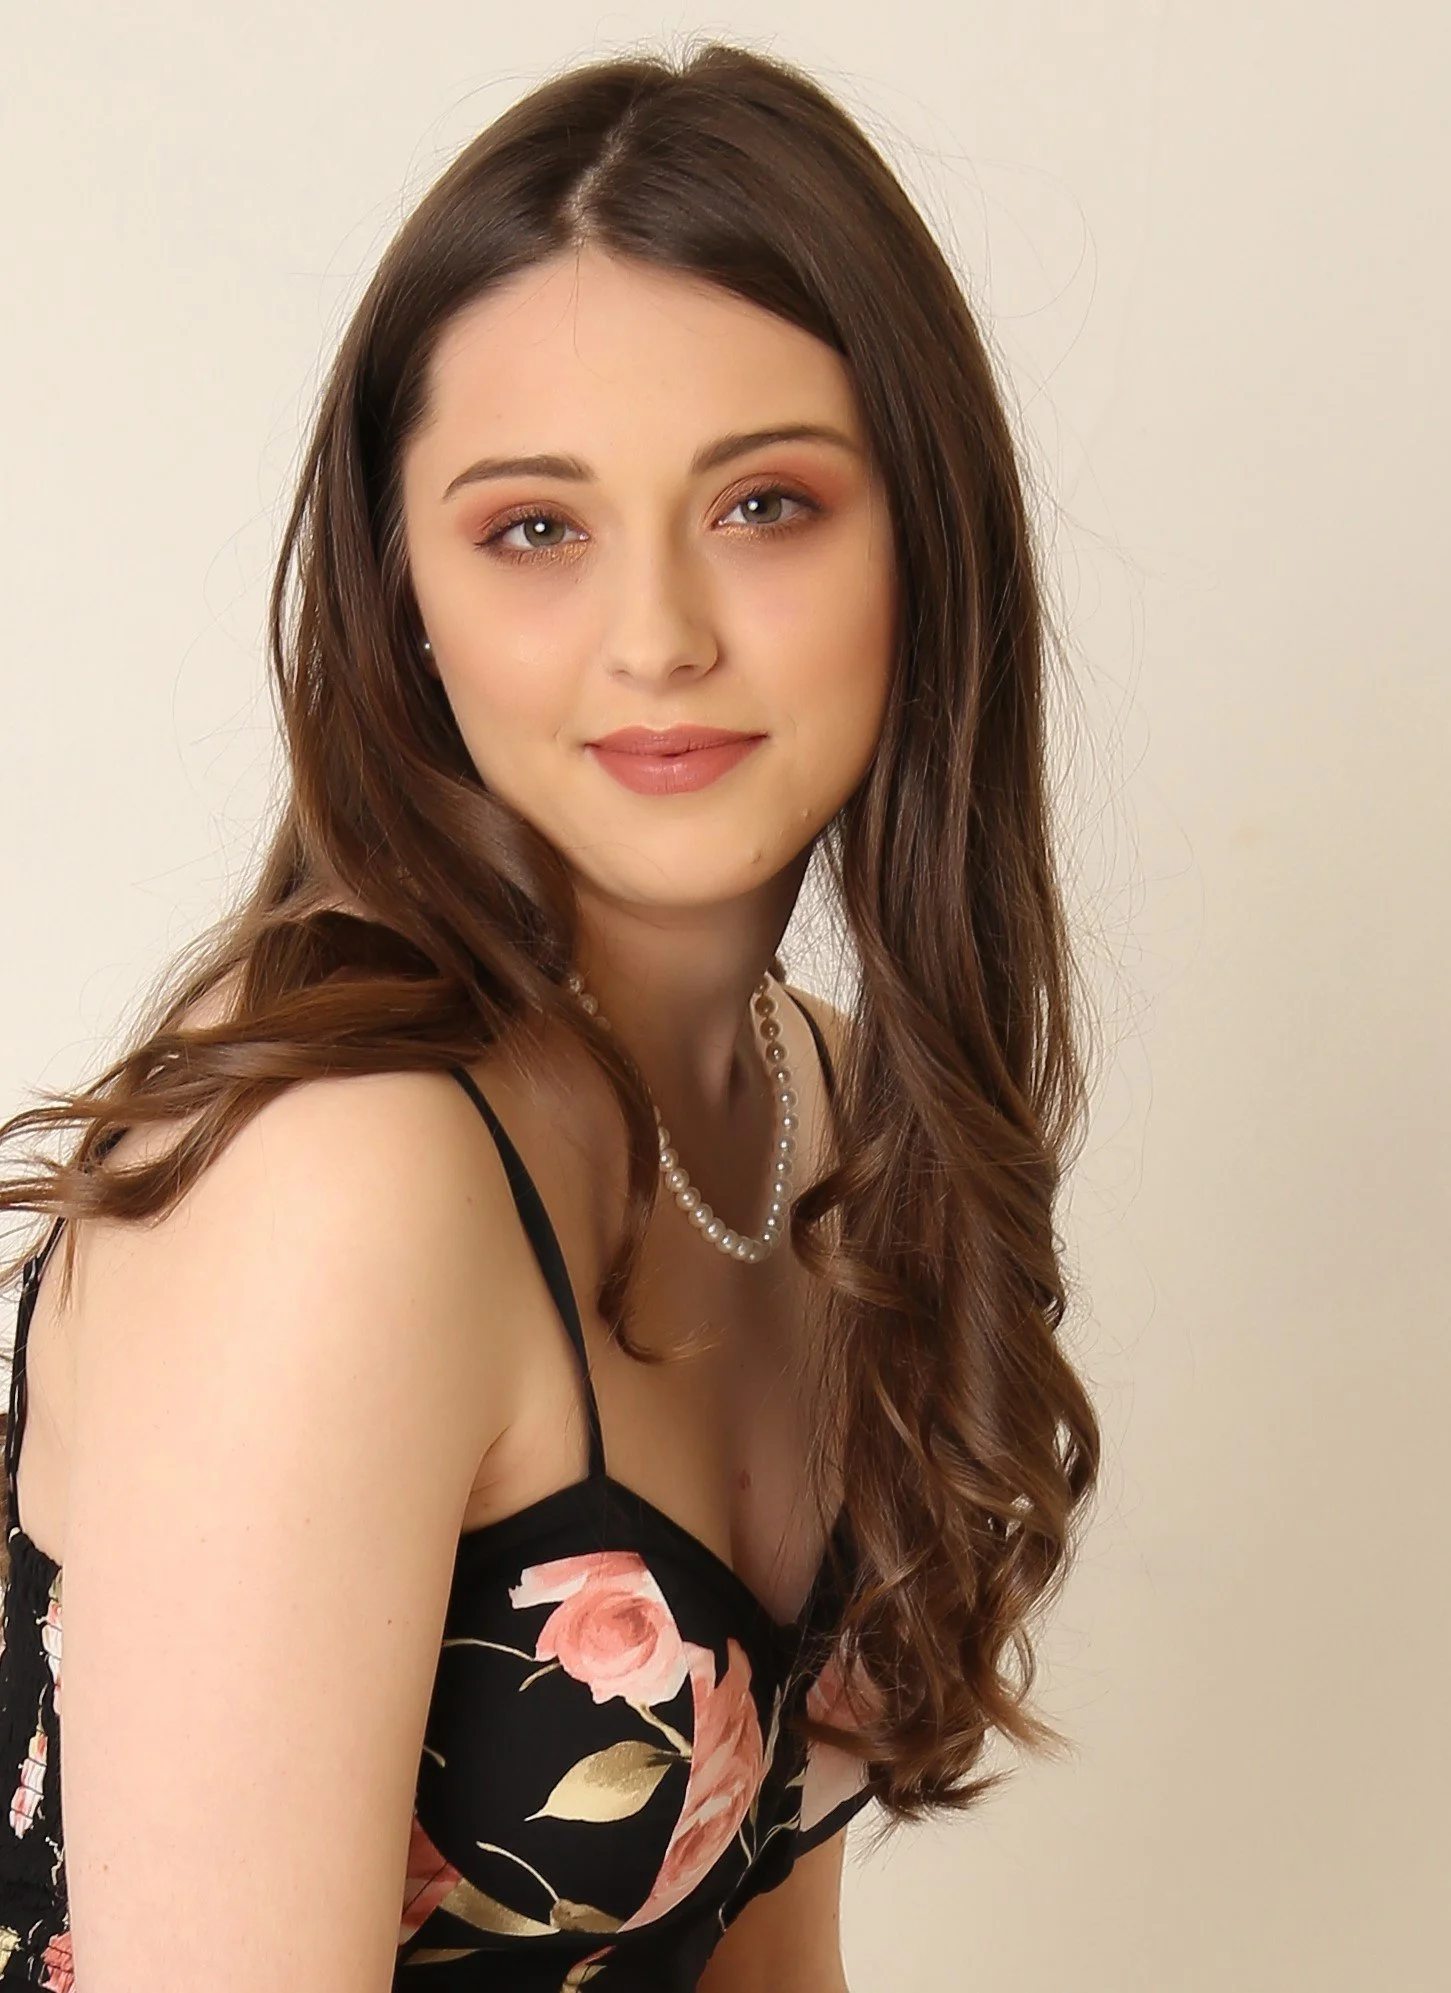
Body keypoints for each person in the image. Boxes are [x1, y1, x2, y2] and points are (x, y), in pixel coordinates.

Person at [0, 40, 1100, 1992]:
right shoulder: (350, 1171)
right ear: (404, 593)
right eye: (535, 528)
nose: (657, 635)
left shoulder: (825, 1118)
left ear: (924, 538)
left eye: (764, 504)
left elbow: (765, 1967)